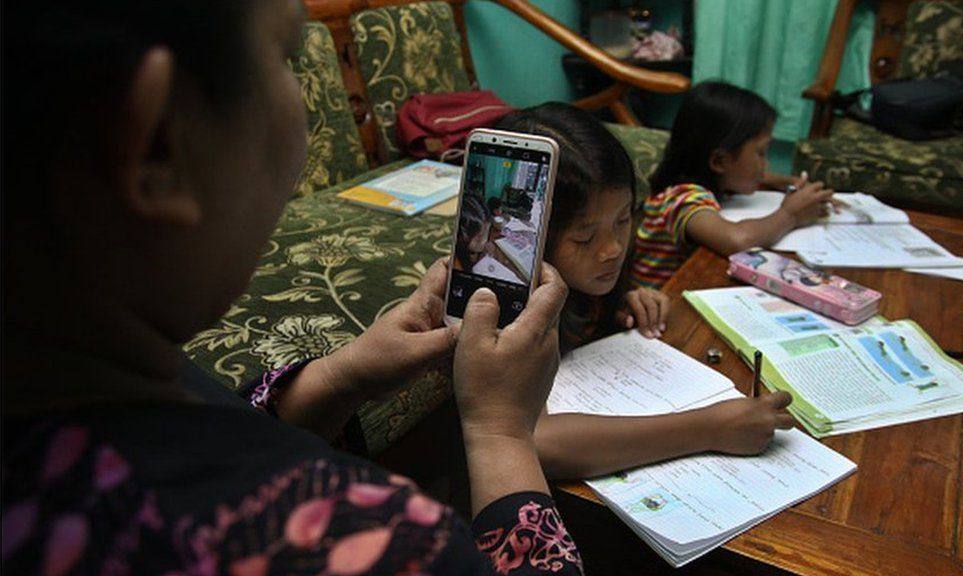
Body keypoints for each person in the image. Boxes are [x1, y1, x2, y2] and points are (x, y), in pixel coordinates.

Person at [2, 2, 582, 574]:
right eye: (287, 56)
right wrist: (500, 433)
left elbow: (218, 425)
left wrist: (340, 375)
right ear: (157, 141)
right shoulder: (372, 542)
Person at [493, 104, 797, 480]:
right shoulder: (505, 302)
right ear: (526, 239)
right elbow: (539, 441)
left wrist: (624, 298)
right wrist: (709, 428)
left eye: (623, 220)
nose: (613, 249)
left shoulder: (579, 280)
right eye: (585, 237)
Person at [631, 81, 837, 289]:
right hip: (659, 304)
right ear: (719, 161)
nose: (765, 163)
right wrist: (791, 214)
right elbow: (738, 241)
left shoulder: (705, 177)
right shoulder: (682, 198)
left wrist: (786, 181)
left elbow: (749, 176)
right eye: (761, 152)